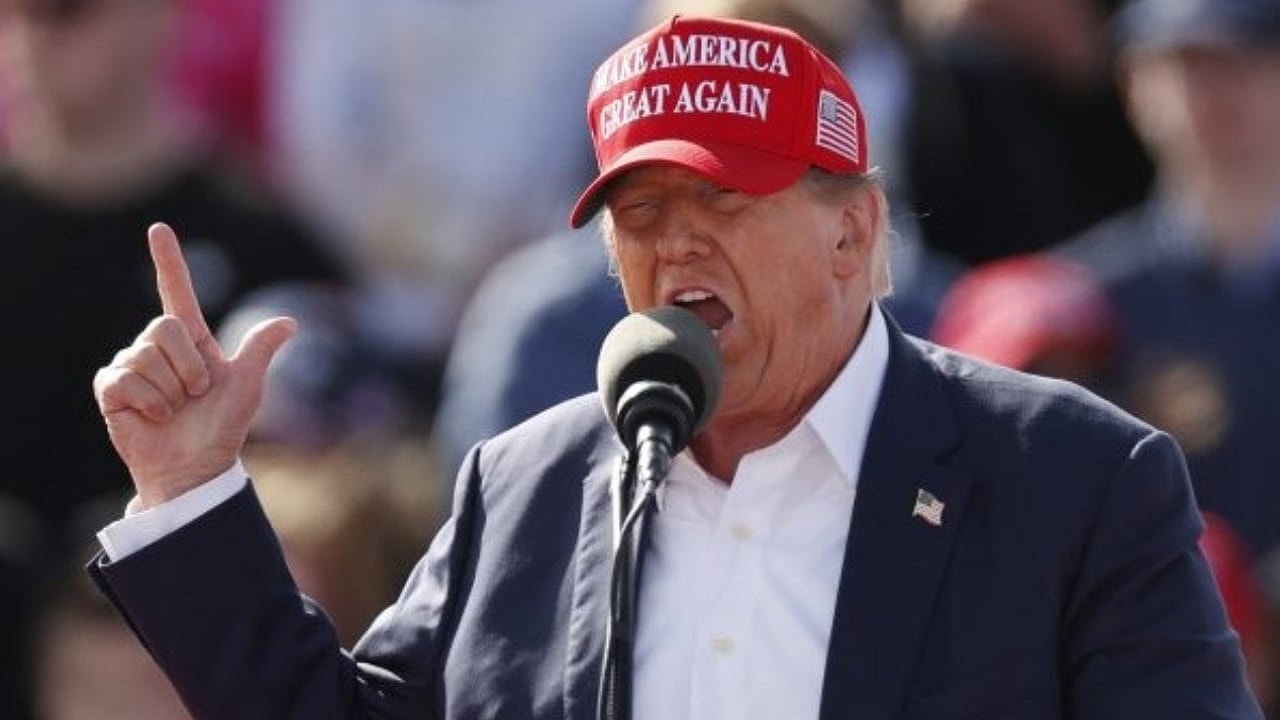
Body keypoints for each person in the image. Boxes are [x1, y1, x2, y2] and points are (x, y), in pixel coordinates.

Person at [87, 14, 1260, 719]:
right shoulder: (527, 485)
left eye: (722, 198)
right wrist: (191, 496)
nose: (674, 242)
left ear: (853, 233)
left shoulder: (1074, 481)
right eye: (636, 211)